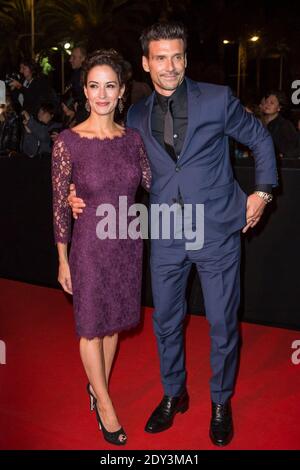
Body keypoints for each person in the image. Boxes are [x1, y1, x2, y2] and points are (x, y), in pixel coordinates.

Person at [68, 23, 277, 447]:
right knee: (165, 322)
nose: (170, 66)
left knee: (221, 323)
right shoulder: (137, 116)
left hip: (216, 229)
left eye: (177, 57)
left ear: (185, 59)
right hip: (164, 233)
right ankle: (173, 394)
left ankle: (220, 401)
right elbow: (118, 166)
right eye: (160, 58)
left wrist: (262, 191)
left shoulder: (217, 99)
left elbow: (258, 137)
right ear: (145, 63)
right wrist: (78, 193)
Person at [51, 49, 151, 446]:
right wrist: (63, 258)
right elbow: (60, 206)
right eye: (95, 86)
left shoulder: (133, 139)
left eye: (110, 85)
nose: (103, 94)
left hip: (126, 242)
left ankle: (98, 388)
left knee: (113, 325)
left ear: (122, 91)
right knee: (91, 326)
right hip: (90, 245)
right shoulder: (68, 142)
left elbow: (152, 181)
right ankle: (106, 406)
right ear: (86, 92)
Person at [262, 91, 300, 158]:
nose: (267, 104)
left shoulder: (284, 125)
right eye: (266, 102)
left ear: (279, 107)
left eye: (272, 103)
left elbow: (292, 150)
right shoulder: (258, 122)